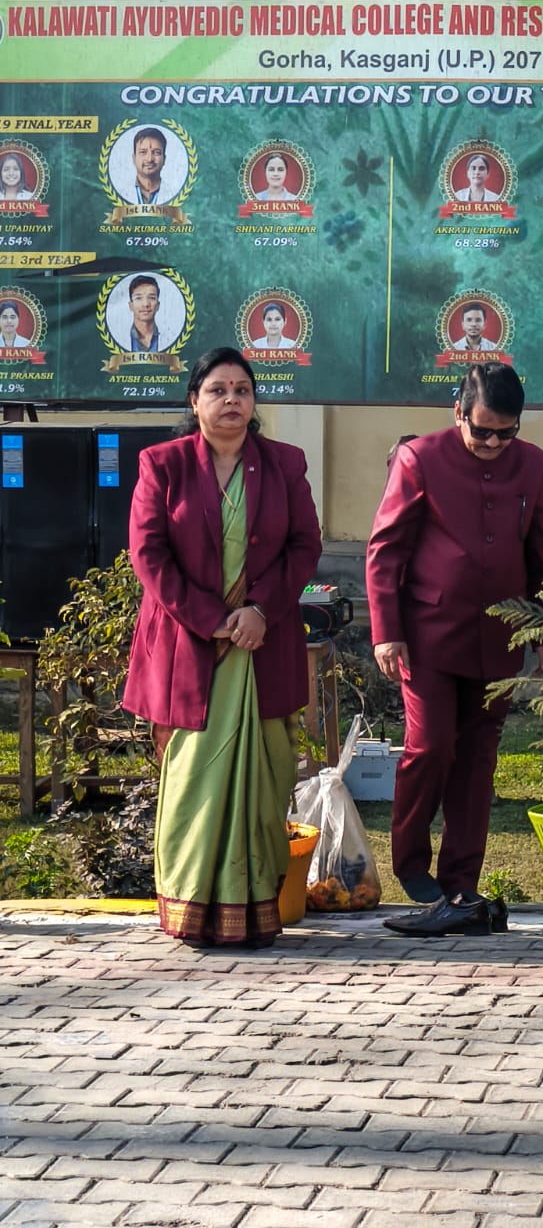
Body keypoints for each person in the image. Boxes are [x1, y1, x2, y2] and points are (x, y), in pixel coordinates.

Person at [123, 347, 322, 947]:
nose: (231, 399)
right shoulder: (163, 465)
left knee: (266, 780)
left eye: (242, 389)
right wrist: (212, 620)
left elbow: (305, 546)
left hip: (263, 644)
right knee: (194, 782)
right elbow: (148, 554)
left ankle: (254, 911)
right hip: (193, 648)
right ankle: (192, 911)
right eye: (218, 389)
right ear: (195, 400)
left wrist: (260, 611)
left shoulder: (284, 463)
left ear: (254, 400)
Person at [367, 362, 543, 937]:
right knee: (429, 747)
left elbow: (542, 552)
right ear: (458, 413)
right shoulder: (419, 457)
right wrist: (386, 629)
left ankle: (460, 885)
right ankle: (410, 864)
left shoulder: (534, 463)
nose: (494, 444)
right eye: (483, 431)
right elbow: (385, 549)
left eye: (507, 432)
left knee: (478, 761)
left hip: (500, 634)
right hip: (428, 632)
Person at [123, 274, 166, 353]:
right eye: (138, 298)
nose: (146, 304)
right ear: (131, 305)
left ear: (158, 305)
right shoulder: (122, 337)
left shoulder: (167, 336)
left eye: (152, 298)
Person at [129, 126, 169, 205]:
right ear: (134, 158)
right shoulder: (122, 191)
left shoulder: (173, 192)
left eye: (156, 152)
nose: (149, 159)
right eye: (143, 152)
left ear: (164, 159)